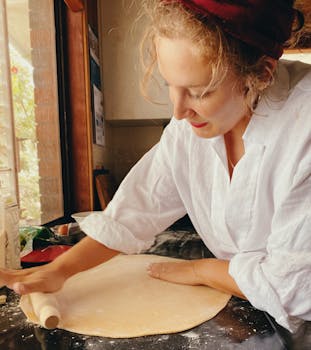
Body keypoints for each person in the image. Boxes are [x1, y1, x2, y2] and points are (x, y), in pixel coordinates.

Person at [1, 0, 310, 333]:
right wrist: (61, 270)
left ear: (261, 74)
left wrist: (201, 271)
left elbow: (291, 287)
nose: (178, 112)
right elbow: (134, 212)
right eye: (170, 86)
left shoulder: (302, 128)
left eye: (199, 92)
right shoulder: (189, 130)